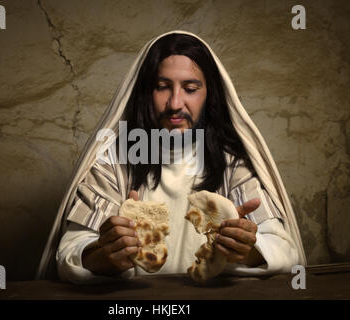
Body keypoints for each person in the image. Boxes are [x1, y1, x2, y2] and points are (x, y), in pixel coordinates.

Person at [36, 31, 307, 283]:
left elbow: (284, 250)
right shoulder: (113, 164)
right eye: (163, 86)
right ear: (145, 93)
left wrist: (246, 249)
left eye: (190, 89)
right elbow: (69, 254)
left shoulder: (232, 165)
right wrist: (102, 255)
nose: (175, 103)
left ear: (209, 95)